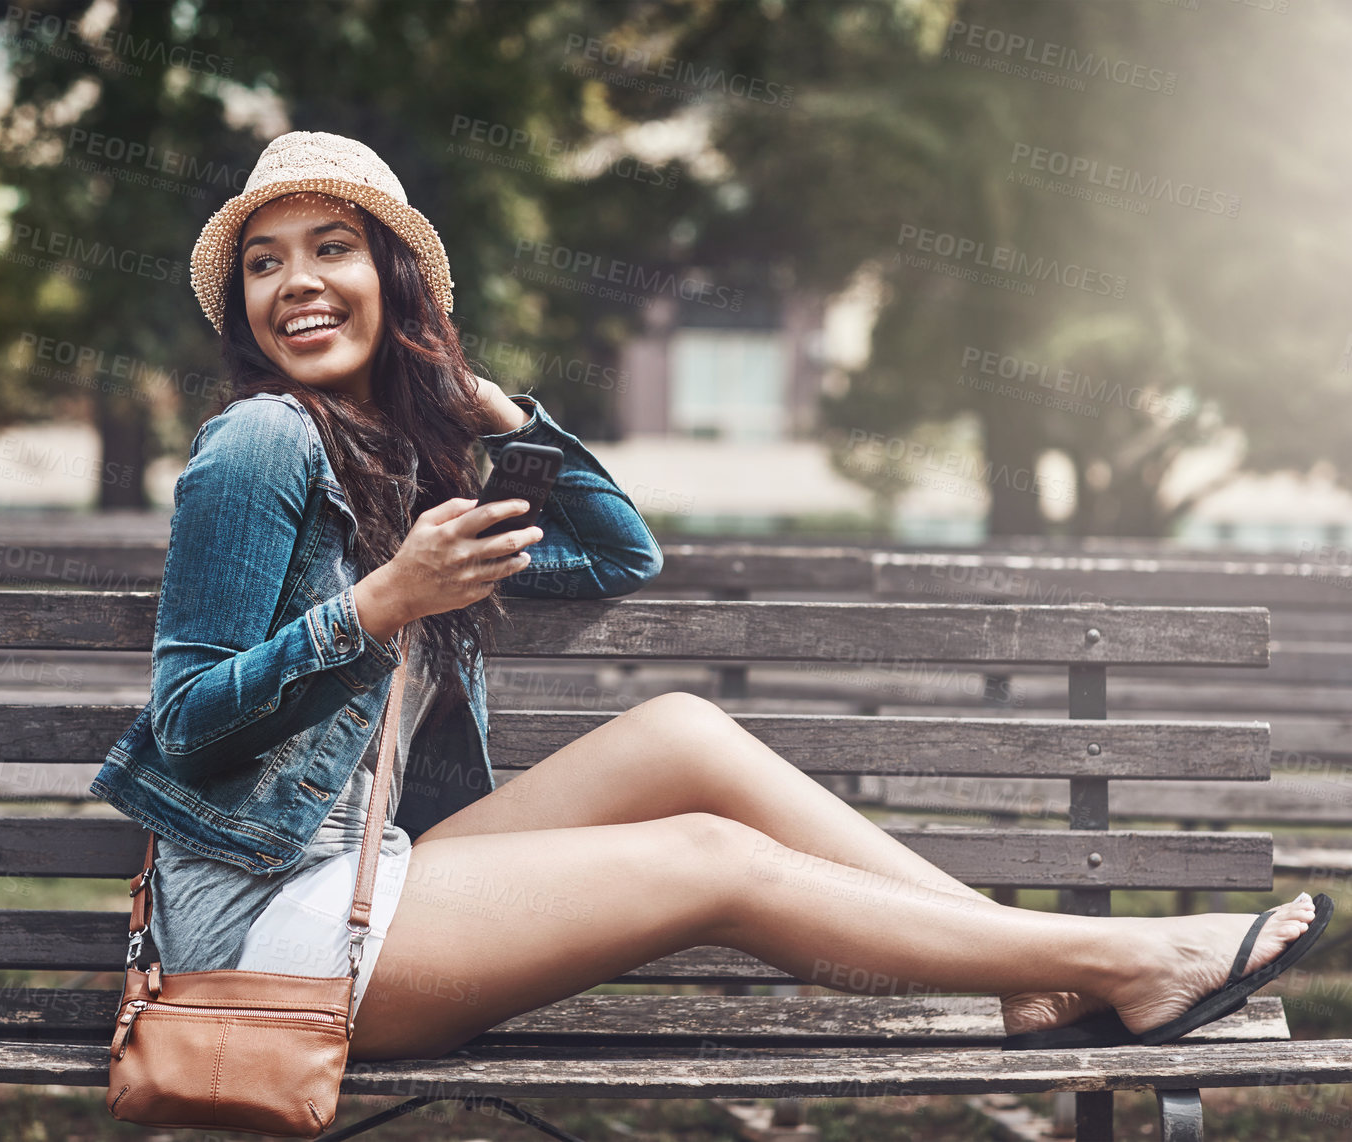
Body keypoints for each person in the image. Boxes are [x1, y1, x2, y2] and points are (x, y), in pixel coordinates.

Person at [90, 131, 1328, 1064]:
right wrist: (377, 605)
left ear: (395, 279)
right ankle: (1126, 955)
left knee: (680, 729)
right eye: (264, 263)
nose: (295, 283)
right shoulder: (257, 443)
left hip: (369, 871)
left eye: (331, 248)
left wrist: (499, 413)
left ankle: (1029, 972)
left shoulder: (396, 468)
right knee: (710, 863)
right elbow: (183, 720)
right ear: (242, 301)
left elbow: (620, 553)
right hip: (260, 930)